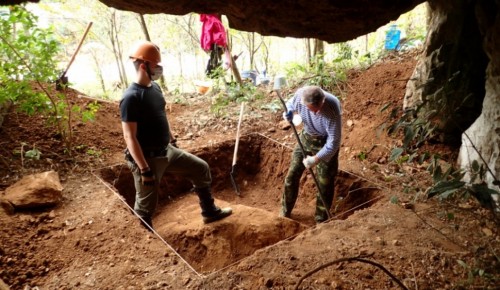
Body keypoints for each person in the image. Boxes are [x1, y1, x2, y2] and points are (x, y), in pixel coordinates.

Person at [119, 41, 232, 229]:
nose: (158, 69)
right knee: (146, 205)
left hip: (167, 150)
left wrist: (171, 139)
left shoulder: (154, 88)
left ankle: (209, 212)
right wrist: (145, 169)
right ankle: (148, 242)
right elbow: (129, 137)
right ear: (142, 65)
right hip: (147, 159)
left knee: (200, 168)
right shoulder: (131, 97)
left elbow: (160, 115)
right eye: (155, 65)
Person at [280, 85, 342, 223]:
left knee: (324, 182)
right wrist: (288, 112)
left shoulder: (332, 108)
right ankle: (285, 211)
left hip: (325, 142)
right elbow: (290, 104)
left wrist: (316, 158)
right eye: (311, 109)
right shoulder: (300, 96)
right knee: (292, 175)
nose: (315, 112)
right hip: (306, 138)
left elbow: (334, 142)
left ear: (323, 100)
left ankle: (321, 219)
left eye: (318, 108)